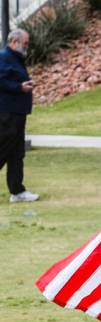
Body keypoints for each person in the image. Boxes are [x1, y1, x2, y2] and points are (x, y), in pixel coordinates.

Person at [0, 29, 38, 203]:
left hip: (18, 112)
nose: (26, 47)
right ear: (14, 42)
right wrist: (19, 88)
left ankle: (17, 190)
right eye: (25, 44)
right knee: (4, 149)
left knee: (17, 152)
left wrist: (25, 84)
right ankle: (17, 190)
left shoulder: (16, 59)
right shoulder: (4, 57)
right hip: (7, 113)